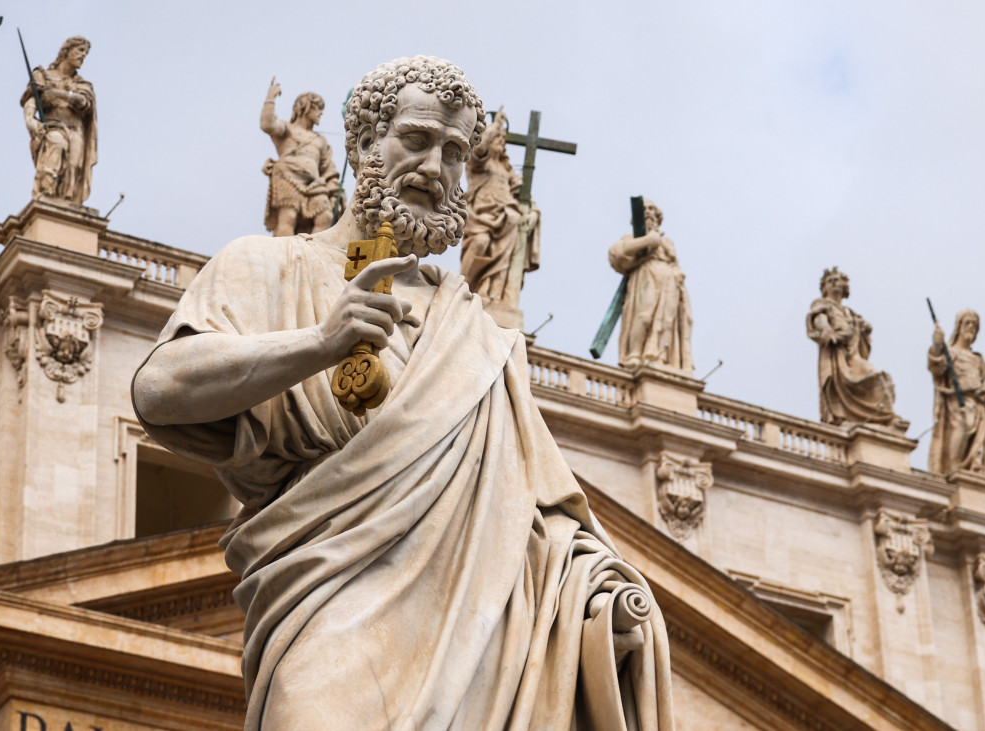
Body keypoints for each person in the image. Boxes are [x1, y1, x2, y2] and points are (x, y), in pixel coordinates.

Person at [133, 56, 672, 730]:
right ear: (362, 146)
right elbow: (158, 389)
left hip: (475, 644)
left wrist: (596, 595)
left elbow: (544, 518)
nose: (434, 167)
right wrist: (319, 343)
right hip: (324, 618)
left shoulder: (478, 334)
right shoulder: (266, 266)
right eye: (416, 139)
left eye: (453, 152)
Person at [460, 108, 540, 308]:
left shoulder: (506, 170)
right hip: (480, 216)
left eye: (502, 140)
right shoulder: (476, 164)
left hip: (507, 219)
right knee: (480, 243)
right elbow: (478, 150)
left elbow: (524, 196)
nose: (500, 142)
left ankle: (494, 295)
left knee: (505, 257)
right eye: (497, 138)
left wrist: (534, 213)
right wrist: (495, 127)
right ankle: (465, 290)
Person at [805, 267, 899, 426]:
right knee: (874, 377)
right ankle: (879, 418)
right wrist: (826, 328)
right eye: (829, 281)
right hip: (838, 354)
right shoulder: (821, 303)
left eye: (837, 280)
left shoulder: (850, 313)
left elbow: (861, 339)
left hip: (852, 355)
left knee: (879, 377)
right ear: (824, 288)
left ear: (845, 287)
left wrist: (864, 331)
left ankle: (886, 417)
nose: (834, 283)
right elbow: (818, 317)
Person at [607, 200, 693, 371]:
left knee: (666, 320)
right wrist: (647, 241)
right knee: (644, 315)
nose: (649, 215)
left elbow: (675, 263)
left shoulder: (667, 242)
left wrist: (677, 274)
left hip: (669, 280)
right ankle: (635, 354)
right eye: (645, 212)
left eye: (652, 212)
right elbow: (616, 253)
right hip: (646, 275)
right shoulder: (632, 238)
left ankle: (660, 356)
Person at [928, 308, 985, 474]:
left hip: (979, 404)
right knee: (963, 428)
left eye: (975, 325)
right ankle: (951, 469)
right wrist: (937, 344)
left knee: (976, 440)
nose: (971, 328)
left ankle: (972, 469)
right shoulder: (950, 353)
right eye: (968, 323)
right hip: (957, 403)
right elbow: (936, 366)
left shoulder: (978, 359)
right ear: (959, 326)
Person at [22, 36, 97, 205]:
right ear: (66, 51)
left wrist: (59, 94)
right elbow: (31, 99)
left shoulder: (82, 84)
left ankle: (67, 206)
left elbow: (84, 103)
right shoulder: (43, 75)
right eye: (80, 50)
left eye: (85, 52)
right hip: (53, 125)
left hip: (76, 130)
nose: (83, 55)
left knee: (73, 168)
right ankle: (47, 198)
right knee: (56, 147)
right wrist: (30, 120)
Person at [260, 82, 340, 236]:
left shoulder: (320, 140)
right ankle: (284, 253)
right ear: (306, 107)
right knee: (288, 217)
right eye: (318, 109)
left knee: (326, 216)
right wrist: (271, 98)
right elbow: (267, 124)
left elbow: (328, 168)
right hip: (287, 176)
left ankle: (312, 251)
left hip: (314, 184)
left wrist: (332, 187)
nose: (320, 114)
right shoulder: (288, 129)